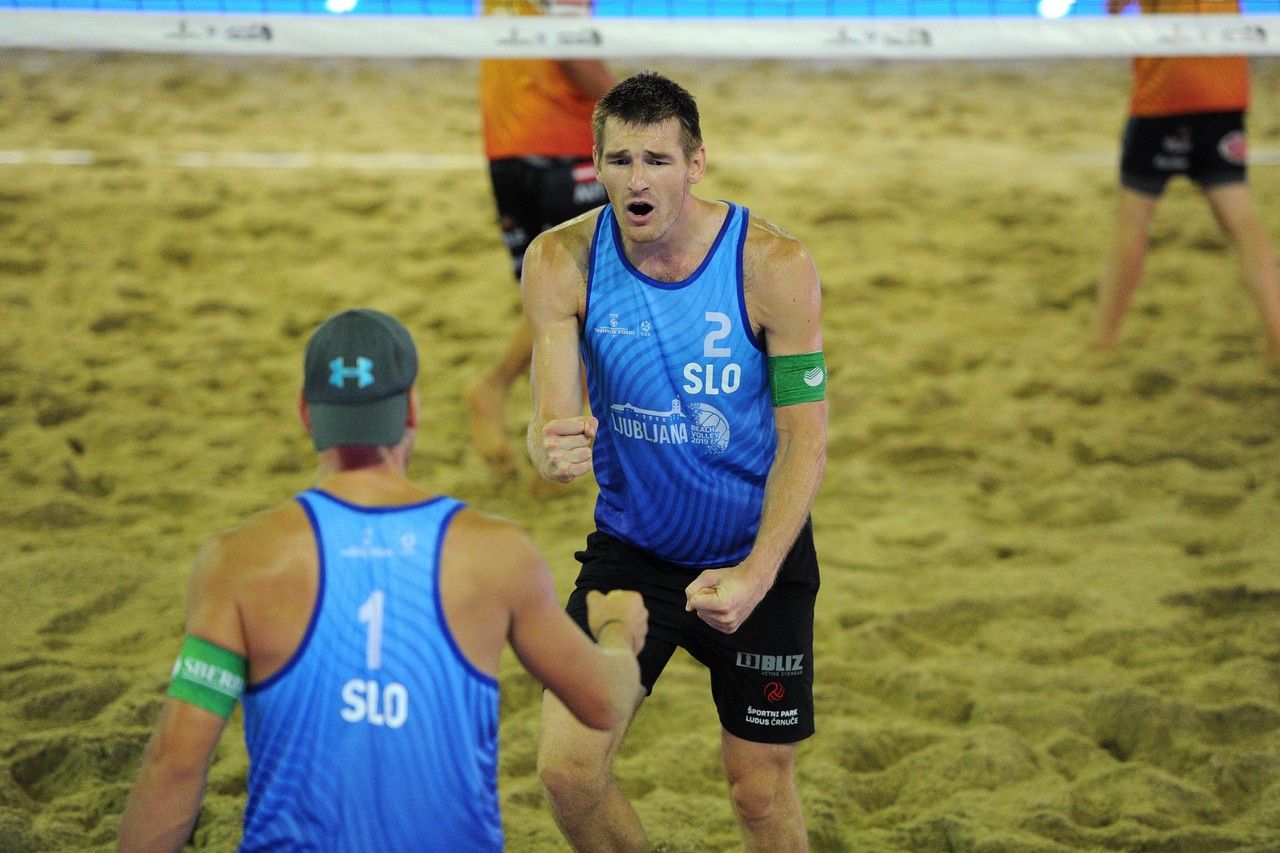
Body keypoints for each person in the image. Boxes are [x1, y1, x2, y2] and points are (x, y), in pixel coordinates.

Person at [117, 308, 647, 851]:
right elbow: (602, 703)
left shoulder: (238, 562)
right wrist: (617, 632)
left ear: (305, 413)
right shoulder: (494, 554)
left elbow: (174, 764)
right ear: (412, 409)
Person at [523, 72, 828, 850]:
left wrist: (756, 573)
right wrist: (550, 450)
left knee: (759, 792)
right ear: (597, 165)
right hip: (634, 554)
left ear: (696, 164)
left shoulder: (773, 265)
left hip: (755, 550)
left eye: (657, 160)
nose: (637, 180)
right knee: (567, 772)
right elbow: (552, 424)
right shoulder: (561, 260)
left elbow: (804, 438)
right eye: (620, 160)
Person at [466, 0, 615, 476]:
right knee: (585, 292)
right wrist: (633, 108)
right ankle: (498, 388)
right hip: (561, 140)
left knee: (563, 295)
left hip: (505, 143)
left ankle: (566, 438)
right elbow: (570, 51)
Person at [1090, 0, 1280, 363]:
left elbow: (1114, 7)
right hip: (1222, 92)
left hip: (1165, 91)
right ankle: (1277, 339)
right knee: (1243, 224)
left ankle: (1103, 340)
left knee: (1132, 221)